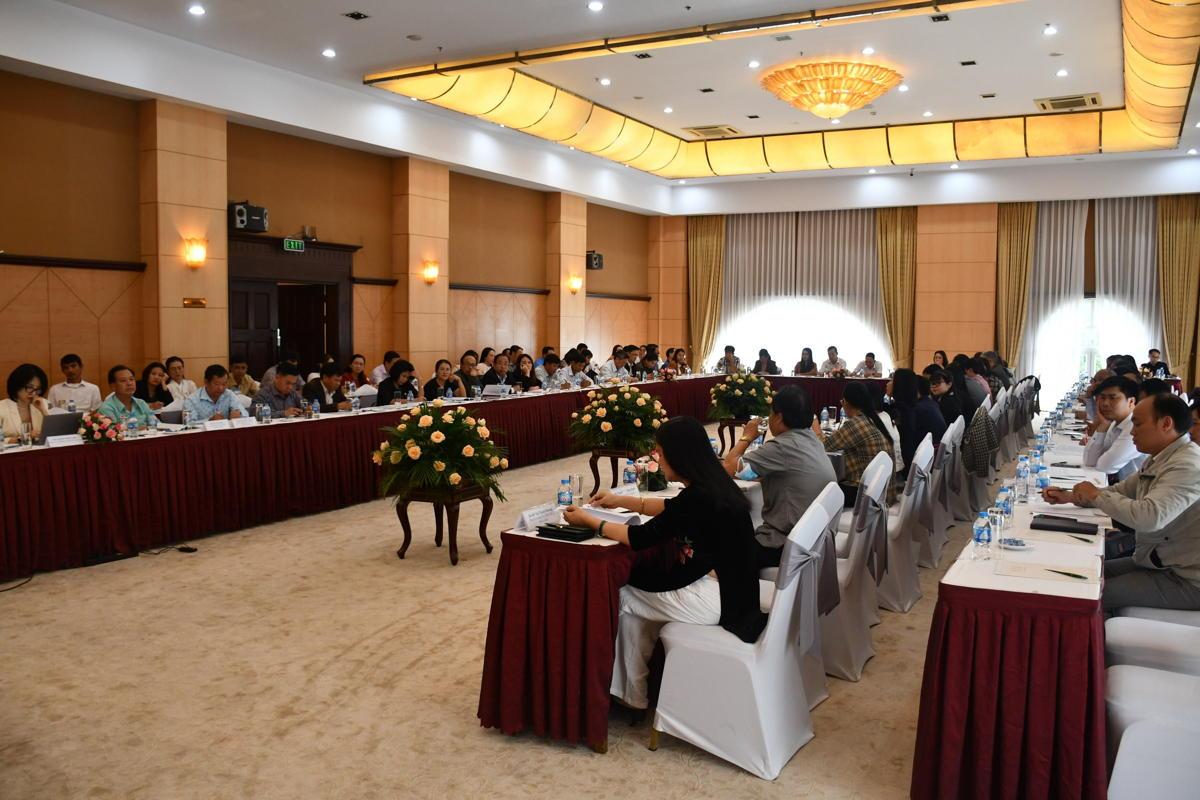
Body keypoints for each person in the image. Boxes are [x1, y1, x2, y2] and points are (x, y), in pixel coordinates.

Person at [562, 416, 766, 710]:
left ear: (678, 455)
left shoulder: (699, 496)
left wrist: (590, 521)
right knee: (637, 604)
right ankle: (631, 694)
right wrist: (620, 500)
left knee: (621, 594)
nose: (656, 457)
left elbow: (640, 537)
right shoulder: (714, 484)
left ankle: (623, 692)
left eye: (659, 451)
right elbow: (673, 509)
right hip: (737, 593)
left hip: (719, 601)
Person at [1044, 394, 1200, 611]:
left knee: (1087, 595)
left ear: (1166, 424)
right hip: (1158, 560)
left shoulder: (1187, 465)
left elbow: (1149, 517)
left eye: (1138, 424)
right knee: (1083, 573)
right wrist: (1071, 496)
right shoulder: (1161, 458)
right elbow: (1121, 491)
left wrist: (1095, 495)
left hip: (1187, 579)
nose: (1132, 432)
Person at [722, 385, 837, 568]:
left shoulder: (782, 446)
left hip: (784, 545)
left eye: (771, 413)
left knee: (719, 548)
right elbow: (780, 474)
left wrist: (747, 437)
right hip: (814, 540)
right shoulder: (812, 439)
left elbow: (728, 467)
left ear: (779, 417)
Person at [820, 381, 895, 507]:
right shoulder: (872, 419)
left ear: (846, 402)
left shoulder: (855, 424)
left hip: (865, 496)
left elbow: (823, 446)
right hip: (881, 493)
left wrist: (816, 429)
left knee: (819, 489)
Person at [1083, 376, 1145, 481]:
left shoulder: (1134, 426)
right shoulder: (1114, 423)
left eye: (1112, 398)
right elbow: (1090, 462)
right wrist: (1102, 427)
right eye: (1102, 398)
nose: (1105, 403)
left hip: (1135, 490)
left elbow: (1105, 466)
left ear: (1131, 401)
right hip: (1118, 485)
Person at [889, 369, 946, 470]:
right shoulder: (927, 403)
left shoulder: (906, 412)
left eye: (892, 380)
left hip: (914, 465)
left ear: (899, 385)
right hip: (929, 460)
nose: (888, 383)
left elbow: (902, 446)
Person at [1, 363, 50, 442]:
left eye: (38, 389)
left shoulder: (43, 403)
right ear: (17, 384)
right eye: (30, 387)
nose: (34, 393)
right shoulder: (2, 408)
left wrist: (43, 410)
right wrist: (22, 438)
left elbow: (56, 432)